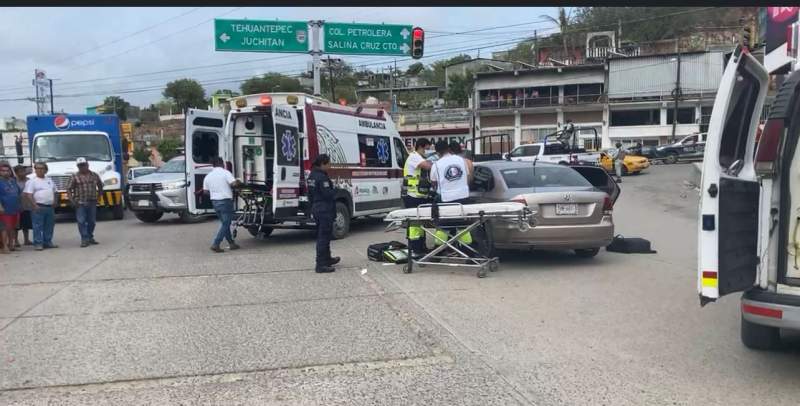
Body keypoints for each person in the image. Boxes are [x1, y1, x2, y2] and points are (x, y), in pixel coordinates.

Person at [429, 140, 473, 250]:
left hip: (446, 199)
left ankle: (438, 252)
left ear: (437, 152)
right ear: (449, 149)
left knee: (443, 227)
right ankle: (468, 252)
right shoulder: (461, 160)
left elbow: (433, 182)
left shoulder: (437, 165)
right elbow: (467, 176)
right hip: (463, 197)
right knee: (462, 227)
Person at [308, 154, 339, 273]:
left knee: (325, 235)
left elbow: (310, 195)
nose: (330, 166)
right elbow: (328, 194)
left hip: (316, 208)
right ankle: (320, 264)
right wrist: (336, 190)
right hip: (324, 209)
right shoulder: (322, 177)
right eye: (329, 164)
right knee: (323, 237)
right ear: (323, 164)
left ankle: (327, 259)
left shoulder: (311, 176)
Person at [403, 138, 434, 256]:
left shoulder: (418, 157)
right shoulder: (414, 156)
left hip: (419, 195)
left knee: (420, 223)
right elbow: (427, 166)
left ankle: (421, 247)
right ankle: (415, 249)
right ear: (421, 146)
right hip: (413, 195)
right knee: (415, 224)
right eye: (426, 148)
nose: (427, 151)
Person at [202, 157, 240, 253]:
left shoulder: (208, 176)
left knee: (224, 223)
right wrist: (238, 181)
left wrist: (215, 193)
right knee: (226, 223)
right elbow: (234, 184)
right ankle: (216, 243)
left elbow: (205, 191)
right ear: (221, 163)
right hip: (225, 201)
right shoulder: (225, 173)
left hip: (215, 202)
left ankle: (231, 243)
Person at [65, 157, 104, 248]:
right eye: (80, 166)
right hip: (80, 203)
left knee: (92, 221)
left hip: (92, 202)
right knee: (81, 221)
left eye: (83, 165)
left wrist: (99, 197)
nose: (82, 167)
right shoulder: (74, 176)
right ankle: (84, 239)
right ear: (78, 166)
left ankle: (90, 237)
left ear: (87, 164)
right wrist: (72, 200)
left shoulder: (94, 175)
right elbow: (68, 189)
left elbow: (100, 186)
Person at [24, 162, 58, 251]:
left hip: (49, 207)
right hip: (38, 206)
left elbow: (55, 191)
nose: (39, 170)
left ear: (46, 170)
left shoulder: (49, 180)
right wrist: (34, 205)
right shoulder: (32, 181)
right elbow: (29, 194)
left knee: (49, 225)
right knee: (37, 226)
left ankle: (47, 242)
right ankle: (38, 243)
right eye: (37, 168)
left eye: (42, 168)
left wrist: (55, 201)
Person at [0, 161, 21, 254]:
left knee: (12, 228)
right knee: (4, 228)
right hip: (4, 209)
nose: (5, 172)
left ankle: (11, 244)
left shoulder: (13, 181)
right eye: (3, 171)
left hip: (14, 208)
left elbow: (18, 193)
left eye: (7, 171)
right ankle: (4, 247)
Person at [14, 165, 32, 247]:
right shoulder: (13, 181)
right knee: (16, 225)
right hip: (17, 206)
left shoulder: (29, 180)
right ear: (16, 173)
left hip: (27, 205)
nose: (22, 173)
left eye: (23, 171)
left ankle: (26, 240)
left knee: (26, 224)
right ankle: (16, 241)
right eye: (20, 172)